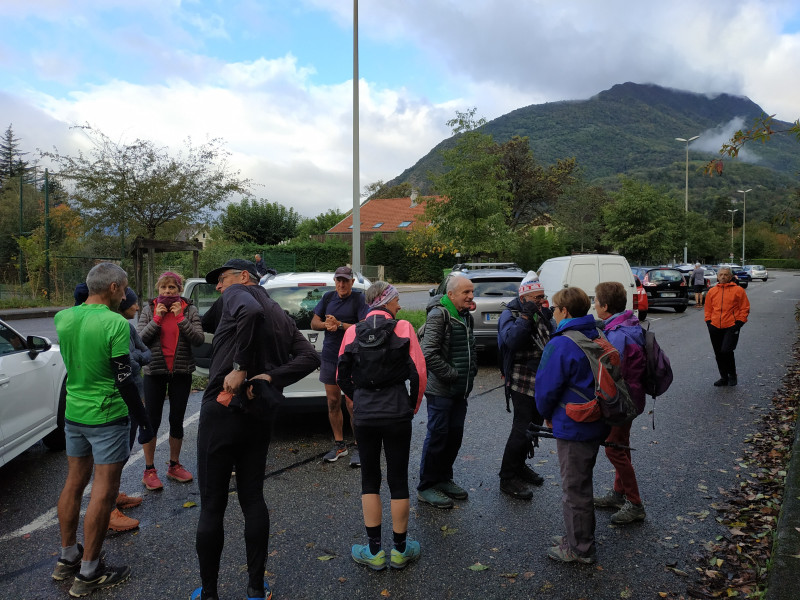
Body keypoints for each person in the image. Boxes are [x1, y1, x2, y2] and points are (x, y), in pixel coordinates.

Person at [192, 259, 319, 600]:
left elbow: (248, 311)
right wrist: (270, 377)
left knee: (212, 505)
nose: (219, 287)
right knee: (252, 498)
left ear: (244, 277)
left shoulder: (239, 294)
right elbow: (310, 357)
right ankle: (255, 589)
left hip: (222, 409)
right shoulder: (280, 314)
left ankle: (209, 594)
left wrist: (240, 367)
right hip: (259, 413)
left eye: (222, 280)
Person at [52, 263, 154, 596]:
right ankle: (89, 571)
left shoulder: (63, 318)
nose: (125, 296)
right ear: (112, 287)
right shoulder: (115, 323)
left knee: (74, 482)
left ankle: (67, 556)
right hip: (108, 415)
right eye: (123, 289)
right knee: (103, 490)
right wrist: (144, 420)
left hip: (74, 413)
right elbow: (124, 377)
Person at [337, 282, 428, 570]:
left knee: (369, 478)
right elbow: (419, 374)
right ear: (385, 301)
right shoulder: (404, 328)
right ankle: (400, 550)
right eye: (396, 300)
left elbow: (341, 376)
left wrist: (358, 399)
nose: (399, 305)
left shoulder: (352, 331)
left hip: (365, 414)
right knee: (398, 478)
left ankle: (374, 551)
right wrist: (411, 406)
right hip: (397, 412)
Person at [535, 287, 610, 564]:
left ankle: (580, 547)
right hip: (596, 418)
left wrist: (546, 414)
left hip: (574, 424)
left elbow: (545, 389)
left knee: (575, 488)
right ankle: (576, 535)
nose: (552, 313)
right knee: (581, 481)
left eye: (554, 308)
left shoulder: (562, 343)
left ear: (564, 311)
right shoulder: (596, 333)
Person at [72, 284, 144, 532]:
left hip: (87, 408)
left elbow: (141, 354)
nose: (131, 302)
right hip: (108, 407)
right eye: (124, 295)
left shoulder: (70, 320)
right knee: (104, 469)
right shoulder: (112, 325)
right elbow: (125, 370)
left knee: (117, 458)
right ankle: (108, 510)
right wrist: (142, 416)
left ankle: (112, 499)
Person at [137, 271, 204, 490]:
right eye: (163, 287)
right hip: (154, 371)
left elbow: (198, 339)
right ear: (158, 289)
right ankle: (149, 470)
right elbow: (139, 340)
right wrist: (156, 319)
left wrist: (180, 318)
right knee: (151, 420)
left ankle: (174, 465)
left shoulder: (189, 309)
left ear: (179, 289)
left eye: (172, 287)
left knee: (177, 419)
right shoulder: (149, 309)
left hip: (181, 371)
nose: (167, 292)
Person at [417, 275, 478, 509]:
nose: (471, 296)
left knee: (454, 437)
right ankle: (426, 486)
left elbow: (470, 347)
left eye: (471, 291)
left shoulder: (465, 316)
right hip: (441, 390)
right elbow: (428, 353)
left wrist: (471, 371)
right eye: (466, 292)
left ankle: (443, 479)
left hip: (459, 391)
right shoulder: (439, 315)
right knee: (438, 437)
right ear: (451, 295)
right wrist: (452, 374)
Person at [592, 282, 647, 524]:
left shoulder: (616, 335)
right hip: (634, 395)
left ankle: (635, 504)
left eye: (596, 301)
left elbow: (613, 373)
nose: (594, 304)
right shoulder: (629, 323)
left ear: (605, 306)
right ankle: (618, 493)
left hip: (623, 400)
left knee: (613, 448)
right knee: (621, 445)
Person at [497, 271, 553, 500]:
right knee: (521, 429)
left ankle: (519, 466)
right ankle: (507, 477)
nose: (541, 300)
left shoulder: (540, 311)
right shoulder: (510, 314)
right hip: (521, 379)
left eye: (543, 296)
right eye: (537, 297)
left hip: (541, 378)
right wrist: (526, 318)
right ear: (524, 298)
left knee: (534, 426)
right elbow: (511, 341)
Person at [311, 266, 368, 466]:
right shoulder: (328, 298)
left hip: (351, 358)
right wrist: (326, 325)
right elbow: (314, 322)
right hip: (330, 357)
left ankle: (360, 445)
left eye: (345, 281)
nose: (341, 284)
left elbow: (364, 327)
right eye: (338, 280)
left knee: (352, 404)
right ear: (335, 281)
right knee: (333, 402)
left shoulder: (359, 299)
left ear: (352, 282)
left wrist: (340, 325)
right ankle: (339, 445)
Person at [704, 266, 750, 386]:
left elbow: (744, 308)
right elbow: (708, 309)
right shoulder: (712, 291)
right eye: (721, 275)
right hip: (714, 326)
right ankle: (724, 377)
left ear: (730, 277)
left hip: (731, 325)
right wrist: (709, 322)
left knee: (726, 351)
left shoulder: (738, 290)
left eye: (726, 275)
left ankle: (732, 375)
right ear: (717, 277)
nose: (723, 277)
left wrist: (739, 323)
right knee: (718, 353)